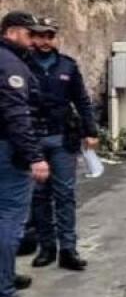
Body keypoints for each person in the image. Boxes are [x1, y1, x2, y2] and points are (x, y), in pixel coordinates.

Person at [29, 17, 97, 271]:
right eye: (40, 36)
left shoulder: (67, 66)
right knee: (39, 196)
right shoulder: (24, 65)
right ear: (33, 37)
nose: (45, 41)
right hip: (34, 139)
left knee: (65, 195)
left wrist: (91, 131)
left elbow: (81, 99)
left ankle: (68, 250)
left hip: (62, 139)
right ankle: (47, 248)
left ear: (55, 37)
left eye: (50, 36)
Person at [0, 11, 50, 297]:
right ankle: (3, 291)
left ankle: (5, 275)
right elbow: (17, 115)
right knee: (10, 220)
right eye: (29, 34)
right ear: (11, 32)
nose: (34, 40)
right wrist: (35, 157)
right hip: (9, 151)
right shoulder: (10, 65)